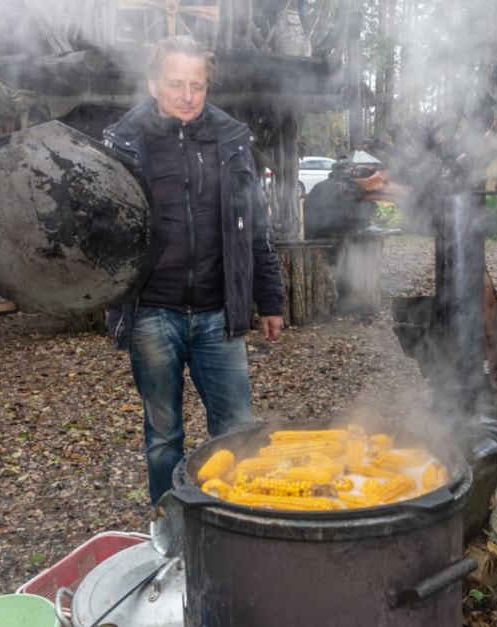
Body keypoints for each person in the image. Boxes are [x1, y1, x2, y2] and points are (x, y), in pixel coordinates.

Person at [102, 35, 286, 504]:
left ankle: (238, 523)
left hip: (218, 313)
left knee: (238, 431)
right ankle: (173, 530)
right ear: (153, 83)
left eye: (197, 86)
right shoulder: (123, 145)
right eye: (176, 84)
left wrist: (271, 299)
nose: (187, 95)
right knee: (164, 435)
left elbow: (256, 226)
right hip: (151, 313)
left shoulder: (230, 141)